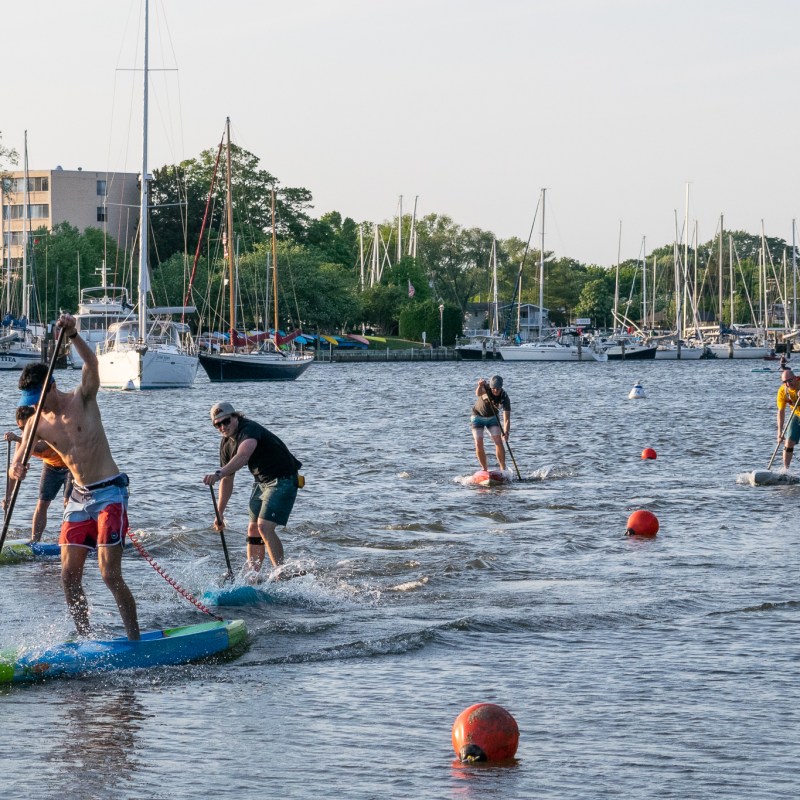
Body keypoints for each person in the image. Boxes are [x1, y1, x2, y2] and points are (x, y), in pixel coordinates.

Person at [9, 313, 139, 640]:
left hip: (109, 492)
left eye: (37, 399)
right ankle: (84, 638)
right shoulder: (38, 421)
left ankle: (135, 641)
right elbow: (21, 452)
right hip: (78, 498)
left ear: (51, 385)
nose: (34, 407)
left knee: (109, 574)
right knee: (67, 577)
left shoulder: (82, 398)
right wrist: (16, 468)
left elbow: (93, 363)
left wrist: (73, 335)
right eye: (30, 403)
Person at [203, 402, 302, 573]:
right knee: (253, 528)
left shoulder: (249, 429)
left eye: (226, 421)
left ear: (236, 417)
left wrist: (218, 473)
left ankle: (282, 575)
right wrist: (219, 513)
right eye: (217, 424)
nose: (222, 427)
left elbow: (243, 455)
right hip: (261, 482)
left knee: (264, 527)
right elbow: (227, 479)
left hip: (283, 478)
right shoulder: (226, 444)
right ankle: (253, 577)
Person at [3, 405, 73, 542]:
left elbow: (40, 448)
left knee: (68, 503)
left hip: (71, 466)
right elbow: (13, 470)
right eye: (21, 429)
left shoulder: (48, 430)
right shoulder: (22, 440)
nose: (25, 432)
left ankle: (69, 540)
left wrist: (18, 438)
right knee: (42, 504)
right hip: (51, 467)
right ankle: (35, 541)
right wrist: (8, 496)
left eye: (27, 428)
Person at [470, 375, 511, 471]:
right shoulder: (485, 388)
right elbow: (478, 393)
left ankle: (503, 469)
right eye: (494, 388)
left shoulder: (504, 397)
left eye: (498, 388)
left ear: (501, 387)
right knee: (478, 443)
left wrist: (506, 432)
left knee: (498, 441)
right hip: (477, 417)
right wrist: (480, 386)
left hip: (492, 418)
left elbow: (507, 419)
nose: (496, 390)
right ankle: (484, 469)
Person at [776, 369, 800, 469]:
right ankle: (786, 470)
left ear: (795, 378)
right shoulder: (783, 391)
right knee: (788, 441)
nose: (788, 383)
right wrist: (779, 432)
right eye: (785, 382)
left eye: (790, 380)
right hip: (797, 415)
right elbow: (781, 411)